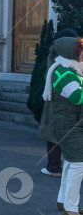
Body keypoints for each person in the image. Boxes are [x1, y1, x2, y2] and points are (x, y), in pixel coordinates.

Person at [44, 36, 83, 215]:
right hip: (68, 126)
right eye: (81, 51)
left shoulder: (70, 70)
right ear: (72, 53)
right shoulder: (64, 73)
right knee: (78, 164)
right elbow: (76, 97)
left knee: (70, 162)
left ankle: (63, 201)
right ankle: (71, 210)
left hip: (70, 124)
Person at [40, 28, 79, 177]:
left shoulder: (54, 56)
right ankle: (55, 167)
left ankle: (54, 167)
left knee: (55, 136)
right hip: (66, 102)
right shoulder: (67, 58)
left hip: (58, 103)